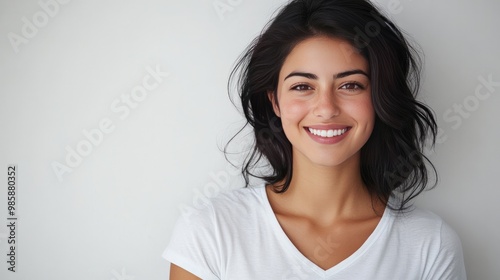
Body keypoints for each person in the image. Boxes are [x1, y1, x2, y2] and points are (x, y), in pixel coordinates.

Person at [163, 0, 467, 279]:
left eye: (350, 85)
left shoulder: (430, 244)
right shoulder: (211, 231)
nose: (326, 109)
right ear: (275, 102)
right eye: (302, 86)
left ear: (379, 98)